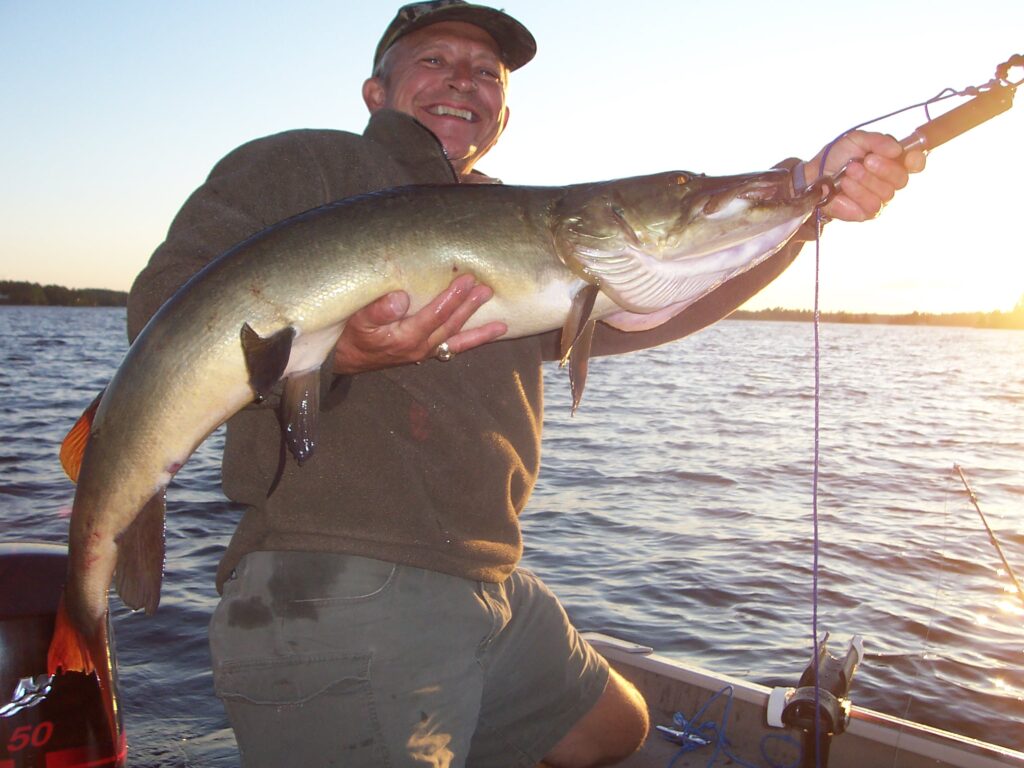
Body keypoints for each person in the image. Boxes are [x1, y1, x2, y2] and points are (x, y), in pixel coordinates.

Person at [126, 2, 925, 766]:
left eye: (487, 72)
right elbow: (163, 307)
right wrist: (339, 353)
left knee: (614, 729)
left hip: (487, 577)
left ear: (503, 115)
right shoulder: (306, 163)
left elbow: (649, 299)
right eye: (434, 60)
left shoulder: (521, 227)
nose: (463, 79)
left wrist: (805, 199)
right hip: (338, 575)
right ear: (375, 92)